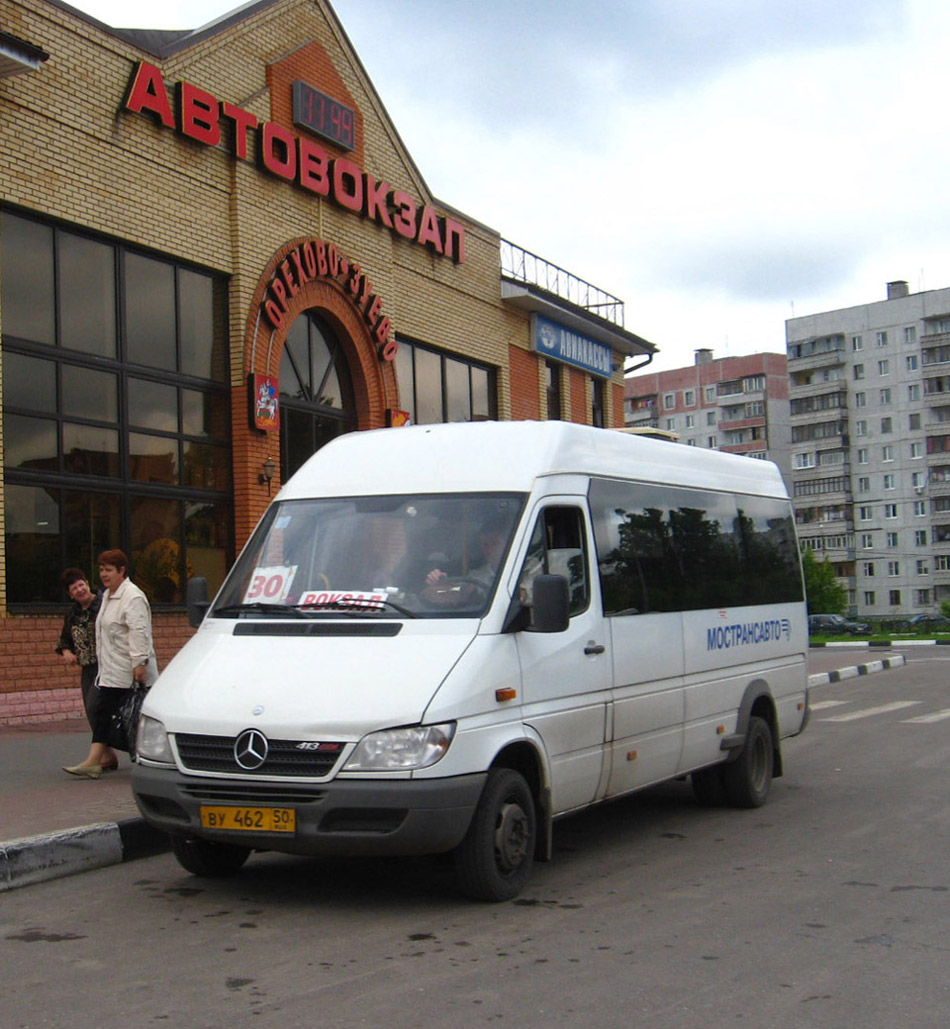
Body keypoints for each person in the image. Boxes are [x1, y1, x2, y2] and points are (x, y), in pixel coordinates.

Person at [63, 549, 157, 779]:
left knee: (133, 716)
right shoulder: (107, 596)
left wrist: (139, 663)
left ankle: (148, 757)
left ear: (121, 571)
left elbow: (138, 632)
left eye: (108, 570)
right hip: (111, 669)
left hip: (129, 670)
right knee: (101, 711)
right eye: (101, 569)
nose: (103, 574)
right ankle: (97, 760)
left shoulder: (132, 597)